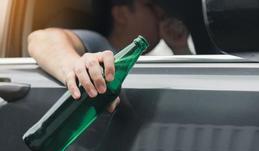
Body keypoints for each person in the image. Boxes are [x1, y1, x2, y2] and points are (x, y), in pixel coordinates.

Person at [28, 0, 191, 112]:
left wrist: (180, 48)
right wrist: (78, 69)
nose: (161, 14)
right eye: (150, 7)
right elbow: (42, 38)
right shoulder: (100, 45)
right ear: (121, 14)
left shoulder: (155, 58)